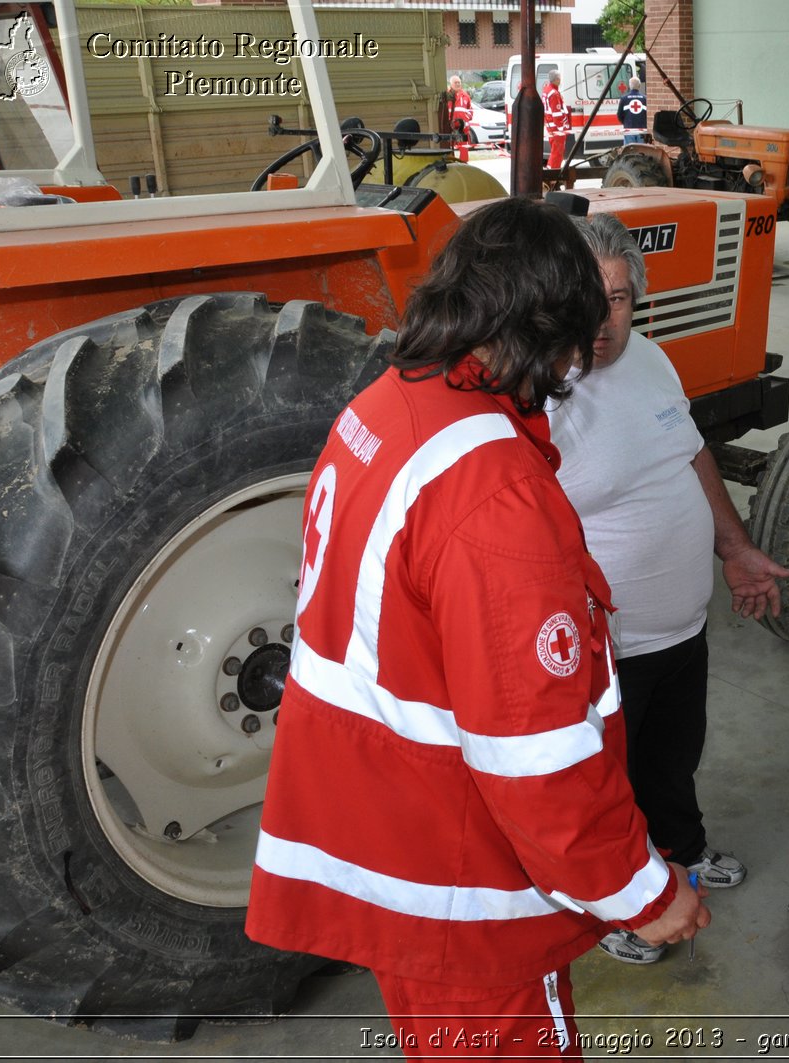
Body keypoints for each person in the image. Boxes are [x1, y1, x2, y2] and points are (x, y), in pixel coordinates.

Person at [245, 198, 708, 1059]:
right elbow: (538, 756)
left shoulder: (385, 409)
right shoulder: (492, 493)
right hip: (462, 878)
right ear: (548, 333)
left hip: (388, 829)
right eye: (575, 342)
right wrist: (644, 892)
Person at [548, 212, 789, 964]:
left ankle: (681, 852)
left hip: (683, 626)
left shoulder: (651, 359)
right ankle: (621, 906)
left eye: (618, 299)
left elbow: (691, 457)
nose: (602, 319)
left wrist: (736, 547)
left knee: (672, 757)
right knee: (604, 784)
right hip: (607, 645)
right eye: (586, 298)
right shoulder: (542, 394)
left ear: (636, 301)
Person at [543, 69, 572, 171]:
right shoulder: (554, 93)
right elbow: (557, 113)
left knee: (554, 151)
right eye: (559, 78)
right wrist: (561, 129)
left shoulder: (547, 90)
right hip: (556, 127)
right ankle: (553, 173)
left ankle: (551, 170)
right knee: (558, 152)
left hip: (550, 125)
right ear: (556, 79)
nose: (560, 80)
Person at [620, 75, 648, 144]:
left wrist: (626, 123)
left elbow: (619, 115)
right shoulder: (645, 99)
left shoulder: (624, 98)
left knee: (629, 152)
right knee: (642, 151)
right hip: (642, 130)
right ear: (639, 86)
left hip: (629, 129)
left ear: (629, 86)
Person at [447, 74, 474, 139]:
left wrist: (466, 117)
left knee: (464, 147)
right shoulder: (447, 96)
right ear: (451, 84)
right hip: (450, 127)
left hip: (464, 128)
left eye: (459, 82)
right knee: (451, 146)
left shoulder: (465, 96)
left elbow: (470, 109)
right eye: (455, 82)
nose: (458, 84)